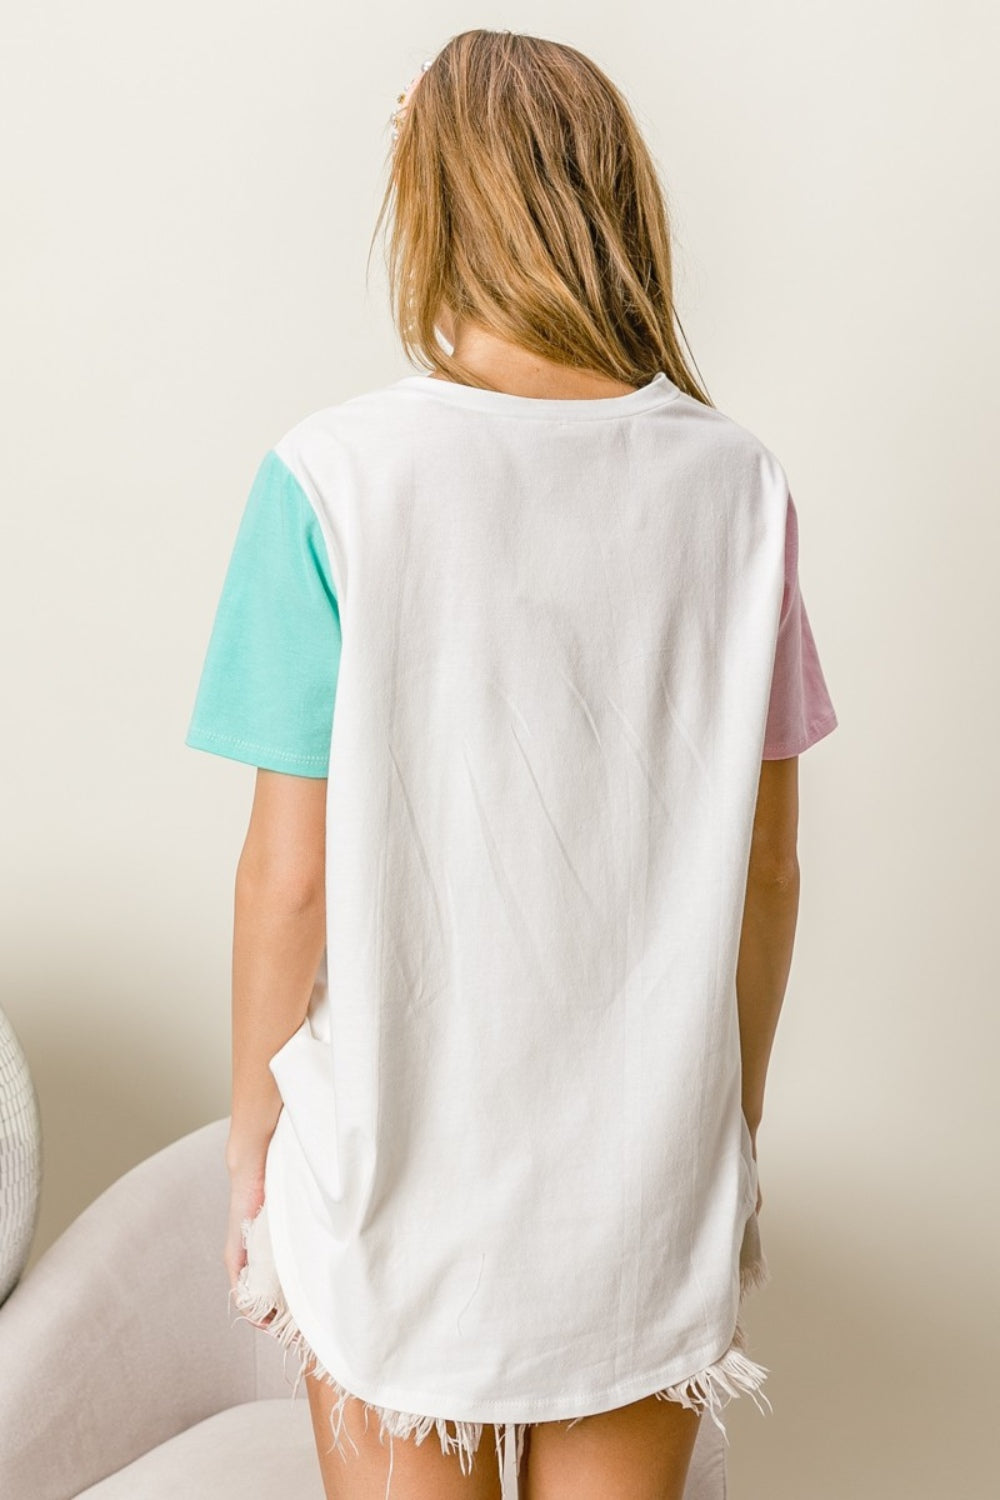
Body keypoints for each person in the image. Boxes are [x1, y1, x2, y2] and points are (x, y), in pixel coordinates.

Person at [184, 28, 838, 1500]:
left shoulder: (332, 478)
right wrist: (726, 1129)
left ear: (427, 204)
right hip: (643, 1187)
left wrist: (251, 1150)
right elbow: (769, 873)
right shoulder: (741, 488)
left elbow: (289, 881)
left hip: (396, 1180)